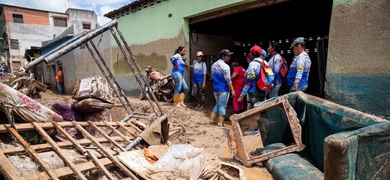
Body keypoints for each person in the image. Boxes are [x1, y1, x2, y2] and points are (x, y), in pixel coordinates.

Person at [210, 49, 235, 127]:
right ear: (223, 56)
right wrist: (232, 90)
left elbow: (212, 76)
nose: (229, 58)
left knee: (218, 104)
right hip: (223, 89)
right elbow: (228, 80)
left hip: (216, 88)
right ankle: (221, 123)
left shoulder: (213, 65)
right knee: (222, 105)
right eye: (228, 56)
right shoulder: (225, 66)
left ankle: (212, 120)